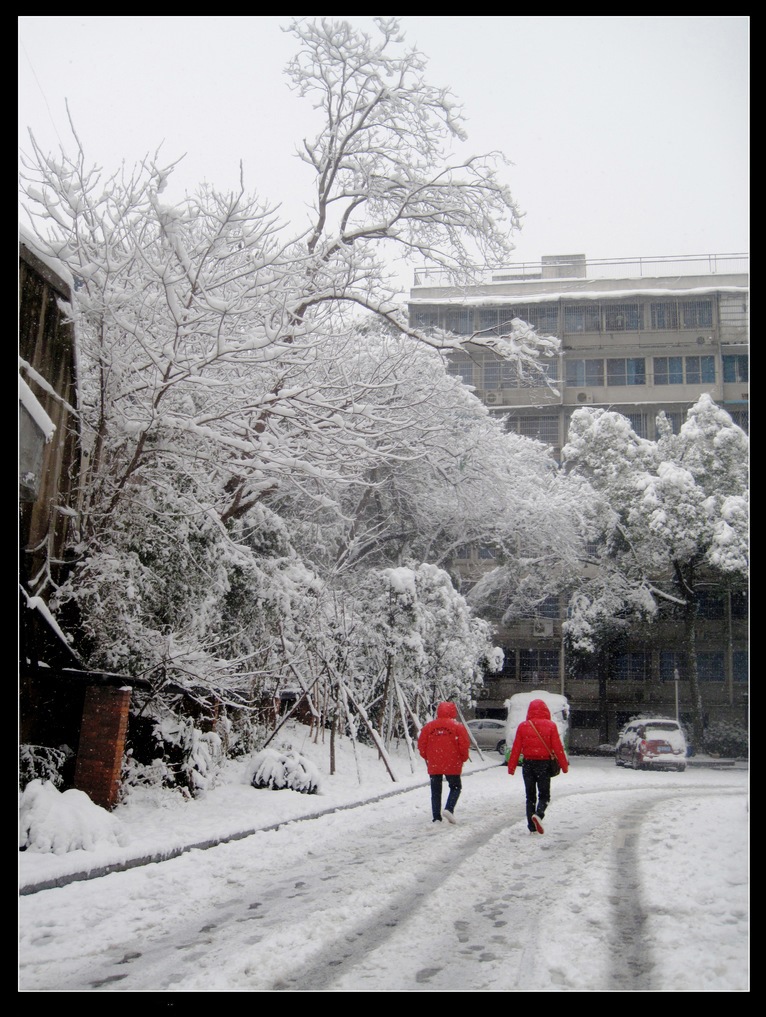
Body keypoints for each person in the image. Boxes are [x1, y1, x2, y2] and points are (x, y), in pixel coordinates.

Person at [506, 697, 568, 834]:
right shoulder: (551, 726)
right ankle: (539, 814)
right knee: (544, 795)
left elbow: (516, 748)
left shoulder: (523, 726)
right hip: (543, 764)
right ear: (545, 711)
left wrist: (511, 767)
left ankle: (532, 826)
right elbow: (558, 748)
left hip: (527, 764)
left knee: (530, 797)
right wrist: (564, 766)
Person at [417, 701, 471, 824]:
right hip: (453, 762)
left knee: (435, 791)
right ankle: (449, 808)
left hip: (435, 764)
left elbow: (421, 745)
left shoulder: (429, 727)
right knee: (456, 787)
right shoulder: (458, 727)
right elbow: (464, 745)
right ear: (453, 712)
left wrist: (428, 757)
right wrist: (463, 758)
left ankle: (436, 817)